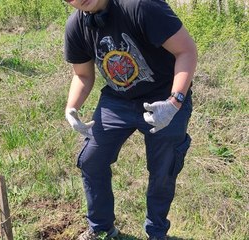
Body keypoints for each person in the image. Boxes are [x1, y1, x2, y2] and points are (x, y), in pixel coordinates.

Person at [63, 0, 197, 239]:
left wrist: (174, 102)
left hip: (165, 97)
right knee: (92, 159)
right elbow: (82, 75)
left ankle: (156, 232)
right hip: (118, 100)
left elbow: (186, 50)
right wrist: (71, 108)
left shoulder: (141, 6)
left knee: (163, 168)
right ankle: (101, 228)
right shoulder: (76, 25)